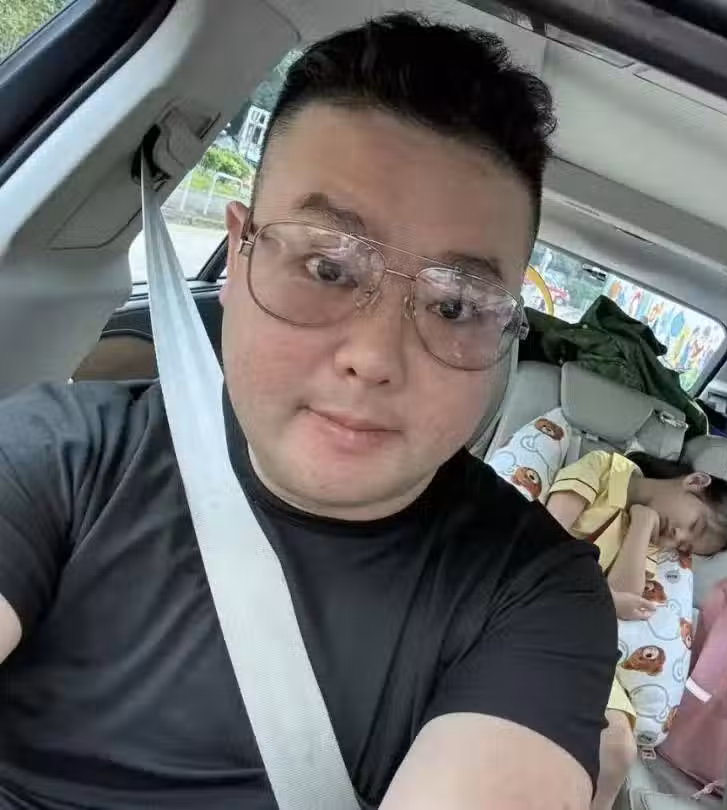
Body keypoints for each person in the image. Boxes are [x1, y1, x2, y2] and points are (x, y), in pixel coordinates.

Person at [0, 15, 616, 810]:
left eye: (456, 305)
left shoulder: (534, 594)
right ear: (239, 252)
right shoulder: (57, 455)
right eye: (327, 266)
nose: (375, 356)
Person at [546, 450, 727, 810]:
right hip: (532, 611)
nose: (678, 535)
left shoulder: (653, 539)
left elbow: (625, 594)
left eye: (685, 544)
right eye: (695, 525)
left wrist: (641, 523)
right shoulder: (603, 469)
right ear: (696, 481)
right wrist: (604, 599)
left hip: (576, 639)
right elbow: (542, 542)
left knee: (618, 748)